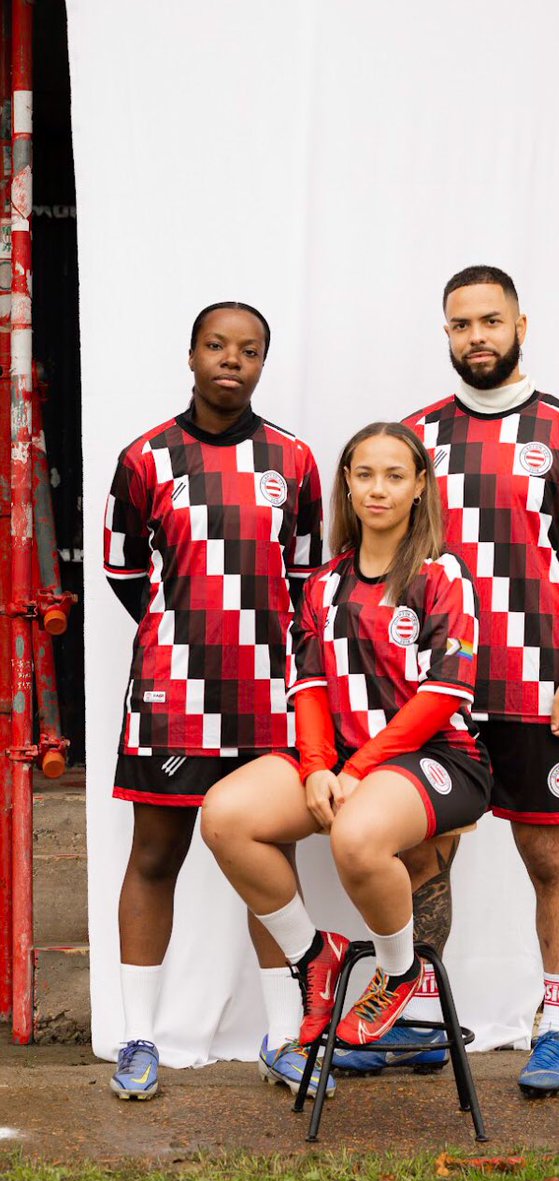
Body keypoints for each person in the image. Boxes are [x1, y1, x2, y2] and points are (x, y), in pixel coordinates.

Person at [339, 265, 559, 1096]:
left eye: (490, 321)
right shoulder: (418, 435)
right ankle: (421, 1019)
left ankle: (555, 1028)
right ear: (446, 333)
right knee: (423, 849)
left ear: (520, 325)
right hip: (436, 688)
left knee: (548, 850)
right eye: (461, 324)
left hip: (532, 682)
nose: (476, 337)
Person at [201, 422, 491, 1059]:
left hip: (439, 757)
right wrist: (315, 768)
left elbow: (443, 695)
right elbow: (309, 687)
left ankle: (397, 972)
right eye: (365, 475)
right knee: (224, 816)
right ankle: (313, 955)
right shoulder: (323, 584)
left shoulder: (443, 574)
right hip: (341, 758)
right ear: (348, 486)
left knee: (355, 836)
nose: (378, 489)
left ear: (420, 487)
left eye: (394, 475)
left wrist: (357, 770)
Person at [103, 301, 323, 1100]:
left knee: (270, 859)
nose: (232, 359)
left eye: (249, 349)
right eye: (217, 345)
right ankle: (137, 1037)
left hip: (267, 694)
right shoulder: (145, 458)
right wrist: (186, 633)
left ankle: (285, 1038)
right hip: (173, 694)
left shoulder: (292, 460)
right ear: (192, 355)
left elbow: (306, 580)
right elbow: (124, 572)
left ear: (263, 362)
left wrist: (254, 642)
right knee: (155, 856)